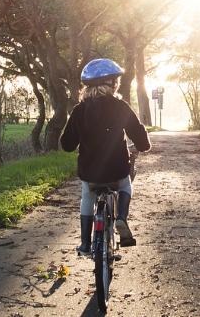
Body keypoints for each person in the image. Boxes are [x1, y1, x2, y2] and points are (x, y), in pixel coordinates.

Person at [60, 58, 151, 253]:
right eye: (116, 81)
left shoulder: (79, 110)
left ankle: (85, 244)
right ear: (112, 84)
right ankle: (121, 219)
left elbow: (66, 145)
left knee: (87, 197)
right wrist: (142, 144)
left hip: (90, 173)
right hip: (117, 171)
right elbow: (141, 141)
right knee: (126, 186)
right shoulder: (121, 107)